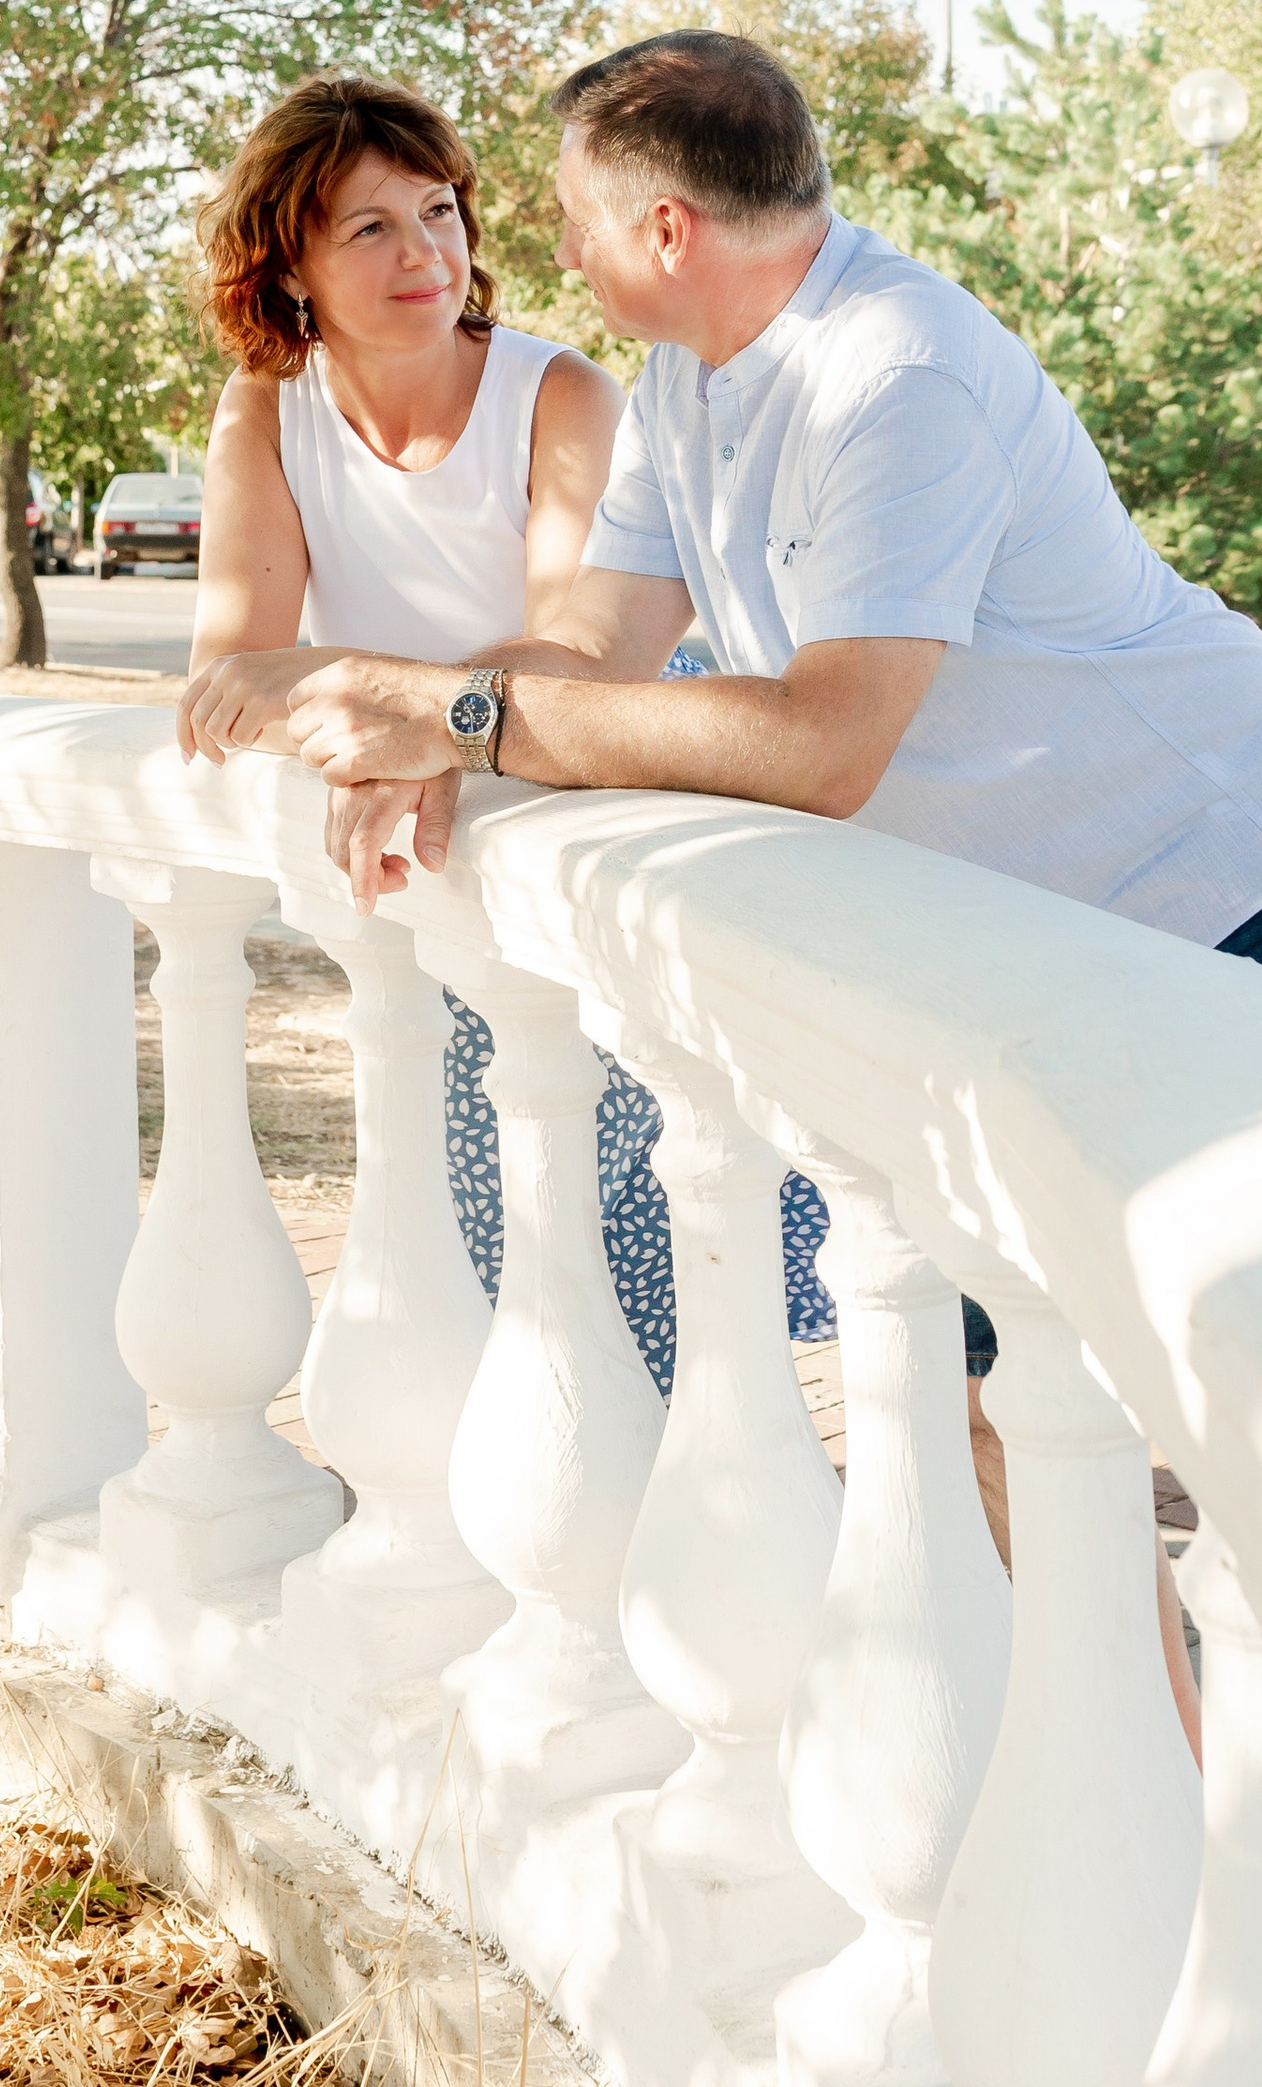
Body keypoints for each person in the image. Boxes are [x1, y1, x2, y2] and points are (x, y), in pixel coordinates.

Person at [278, 29, 1262, 1748]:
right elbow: (600, 639)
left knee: (1254, 1422)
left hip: (1243, 890)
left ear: (667, 232)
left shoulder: (900, 374)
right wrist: (442, 735)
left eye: (576, 219)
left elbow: (825, 745)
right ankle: (1170, 1822)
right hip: (1038, 951)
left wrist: (456, 710)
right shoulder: (696, 376)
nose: (555, 256)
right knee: (1004, 1410)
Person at [176, 72, 837, 1391]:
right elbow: (231, 682)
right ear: (289, 262)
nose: (427, 253)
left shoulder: (561, 396)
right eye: (370, 228)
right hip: (459, 814)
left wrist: (383, 712)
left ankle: (682, 1506)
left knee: (665, 1206)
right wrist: (373, 734)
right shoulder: (268, 411)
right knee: (505, 1237)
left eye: (439, 211)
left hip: (613, 797)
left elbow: (579, 659)